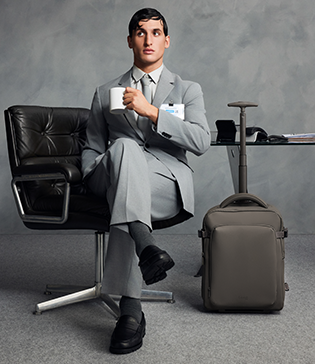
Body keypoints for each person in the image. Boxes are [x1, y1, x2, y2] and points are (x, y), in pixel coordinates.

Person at [83, 8, 210, 354]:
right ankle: (142, 262)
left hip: (165, 183)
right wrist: (96, 170)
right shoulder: (105, 91)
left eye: (156, 33)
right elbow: (92, 147)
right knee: (123, 149)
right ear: (130, 41)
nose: (148, 39)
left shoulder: (187, 90)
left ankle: (132, 301)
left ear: (166, 41)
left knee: (128, 194)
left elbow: (201, 142)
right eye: (140, 32)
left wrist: (152, 111)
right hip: (111, 174)